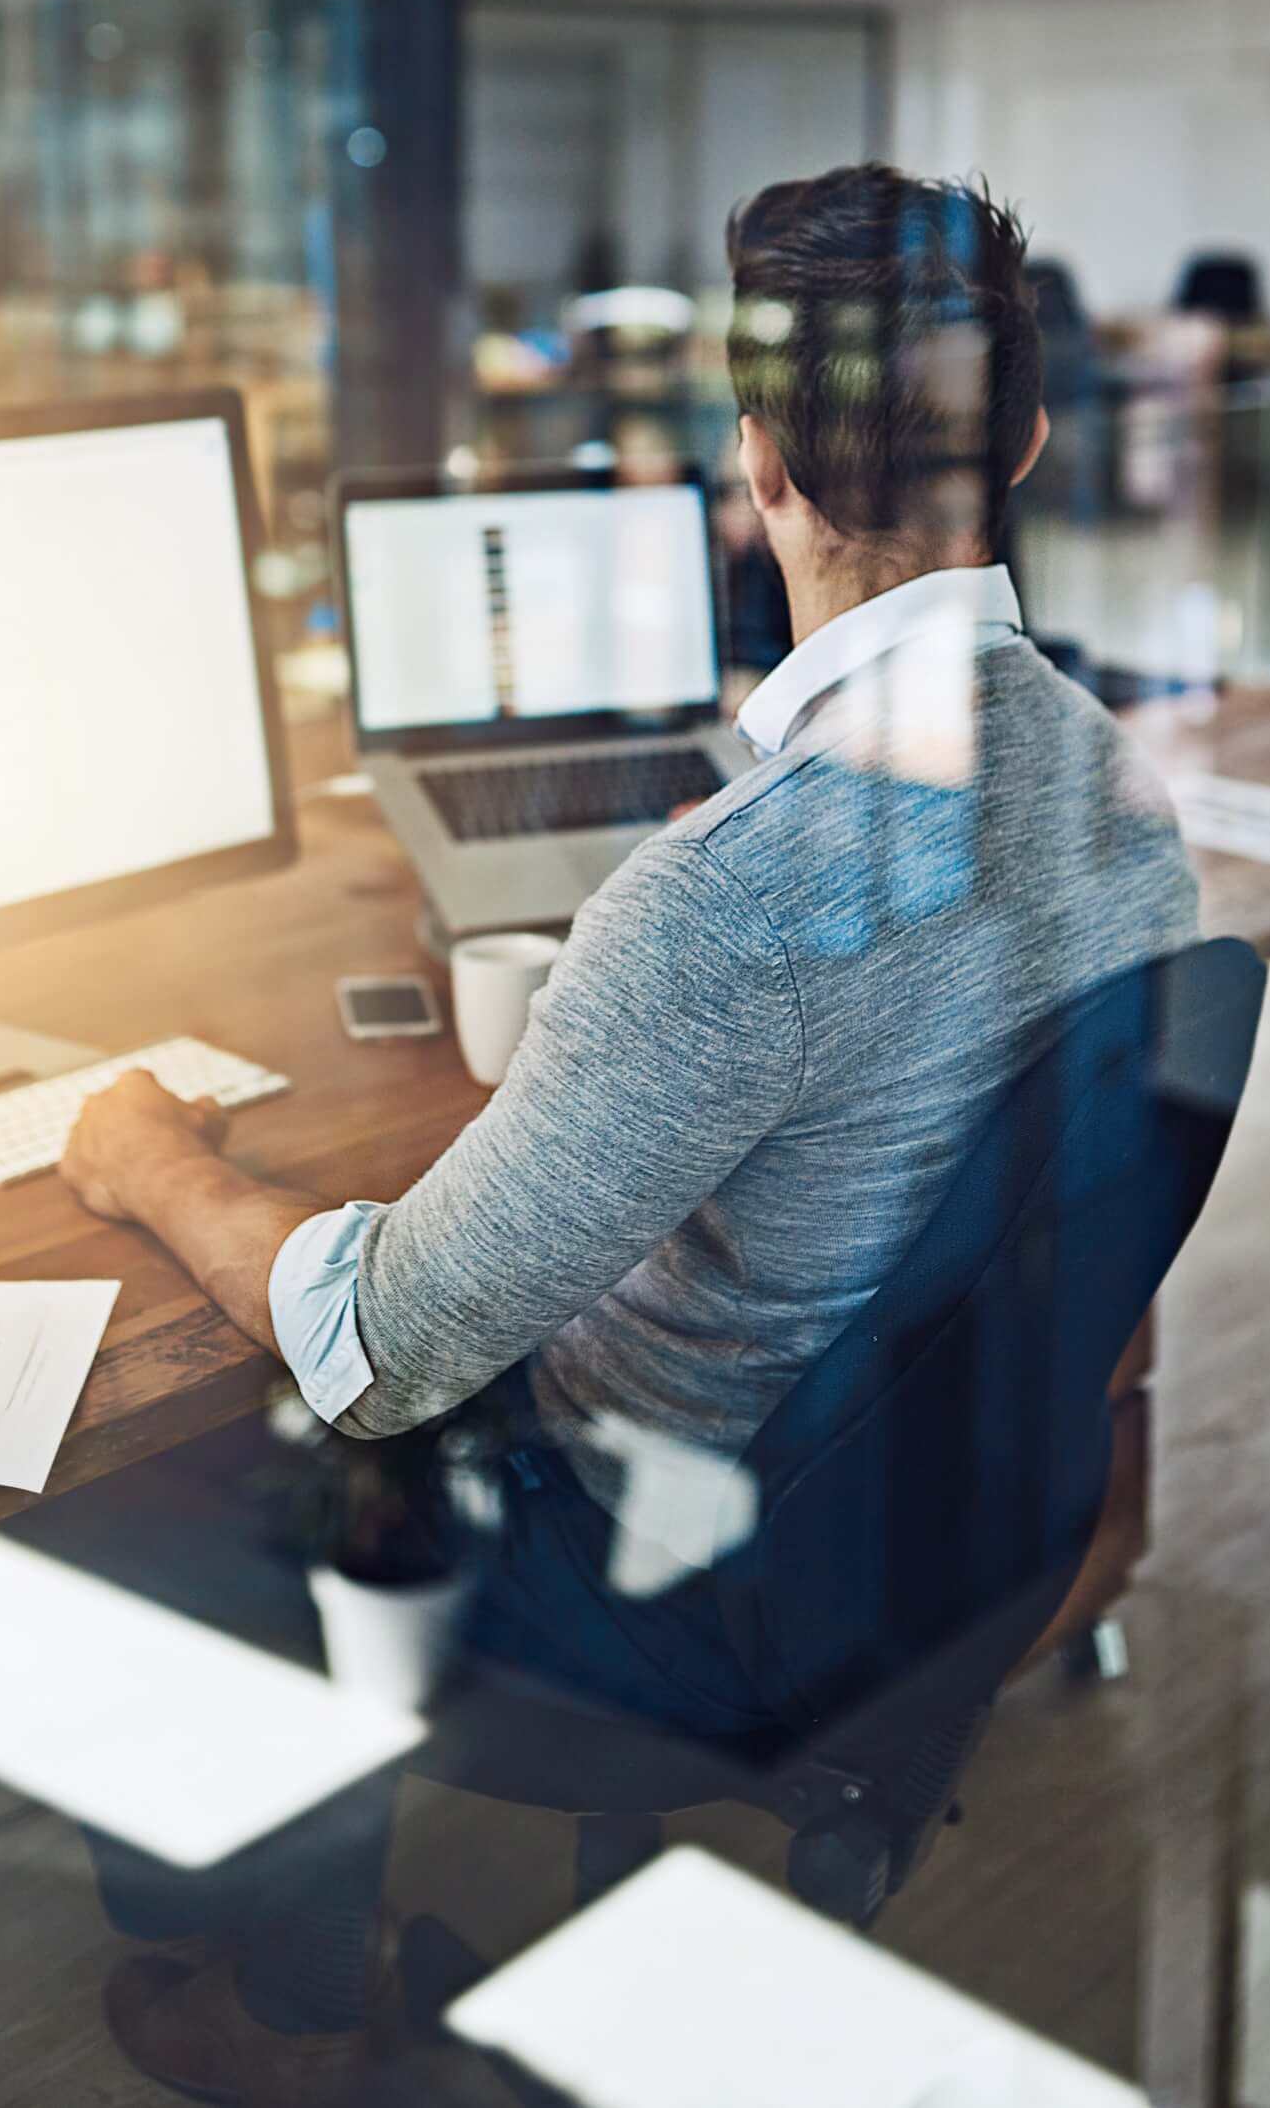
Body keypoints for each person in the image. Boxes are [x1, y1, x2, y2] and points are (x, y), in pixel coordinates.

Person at [61, 163, 1198, 2103]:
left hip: (677, 1567)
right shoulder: (1122, 798)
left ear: (756, 461)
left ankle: (276, 2012)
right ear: (1017, 436)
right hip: (933, 1541)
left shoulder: (732, 894)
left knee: (148, 1464)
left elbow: (381, 1345)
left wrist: (147, 1157)